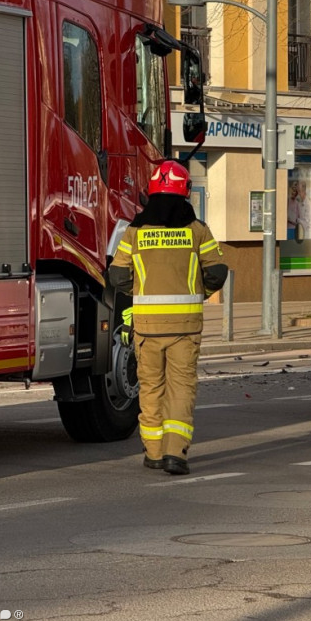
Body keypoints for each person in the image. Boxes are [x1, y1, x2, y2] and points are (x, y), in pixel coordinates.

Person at [108, 161, 229, 475]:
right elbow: (216, 272)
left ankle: (154, 452)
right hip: (185, 328)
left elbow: (117, 275)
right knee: (181, 388)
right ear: (185, 192)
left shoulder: (135, 231)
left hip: (147, 327)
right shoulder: (197, 230)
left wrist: (142, 291)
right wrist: (196, 293)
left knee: (150, 388)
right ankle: (176, 454)